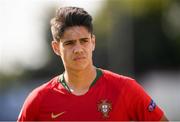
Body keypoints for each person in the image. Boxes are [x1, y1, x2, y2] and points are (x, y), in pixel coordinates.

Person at [17, 6, 168, 121]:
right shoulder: (38, 100)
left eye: (84, 41)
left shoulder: (125, 89)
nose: (78, 49)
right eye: (69, 43)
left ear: (93, 42)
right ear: (56, 48)